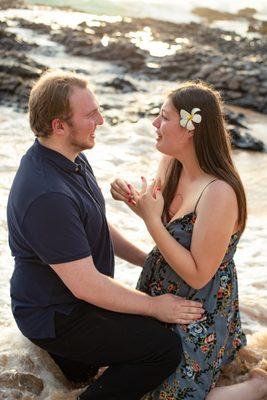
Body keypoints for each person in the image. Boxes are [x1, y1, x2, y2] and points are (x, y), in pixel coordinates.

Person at [7, 71, 205, 400]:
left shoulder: (71, 158)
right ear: (59, 126)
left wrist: (148, 261)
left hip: (72, 301)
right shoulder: (47, 194)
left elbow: (95, 226)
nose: (101, 119)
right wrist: (155, 306)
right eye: (90, 114)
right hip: (57, 316)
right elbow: (87, 285)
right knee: (163, 348)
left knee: (87, 370)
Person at [110, 81, 267, 400]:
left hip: (198, 310)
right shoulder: (172, 165)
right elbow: (163, 223)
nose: (154, 124)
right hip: (161, 300)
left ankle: (259, 386)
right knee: (128, 382)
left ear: (191, 128)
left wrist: (150, 219)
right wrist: (132, 199)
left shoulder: (218, 192)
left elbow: (198, 274)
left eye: (163, 117)